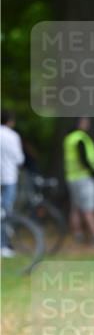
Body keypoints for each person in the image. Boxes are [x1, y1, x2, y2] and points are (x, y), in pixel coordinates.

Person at [63, 116, 94, 244]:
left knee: (76, 207)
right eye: (85, 122)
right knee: (89, 207)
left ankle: (78, 234)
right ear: (80, 123)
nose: (87, 124)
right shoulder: (81, 138)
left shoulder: (69, 138)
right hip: (84, 176)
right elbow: (84, 158)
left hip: (71, 177)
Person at [0, 110, 25, 257]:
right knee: (6, 212)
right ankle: (3, 245)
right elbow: (19, 159)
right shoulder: (13, 136)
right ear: (10, 121)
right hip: (9, 177)